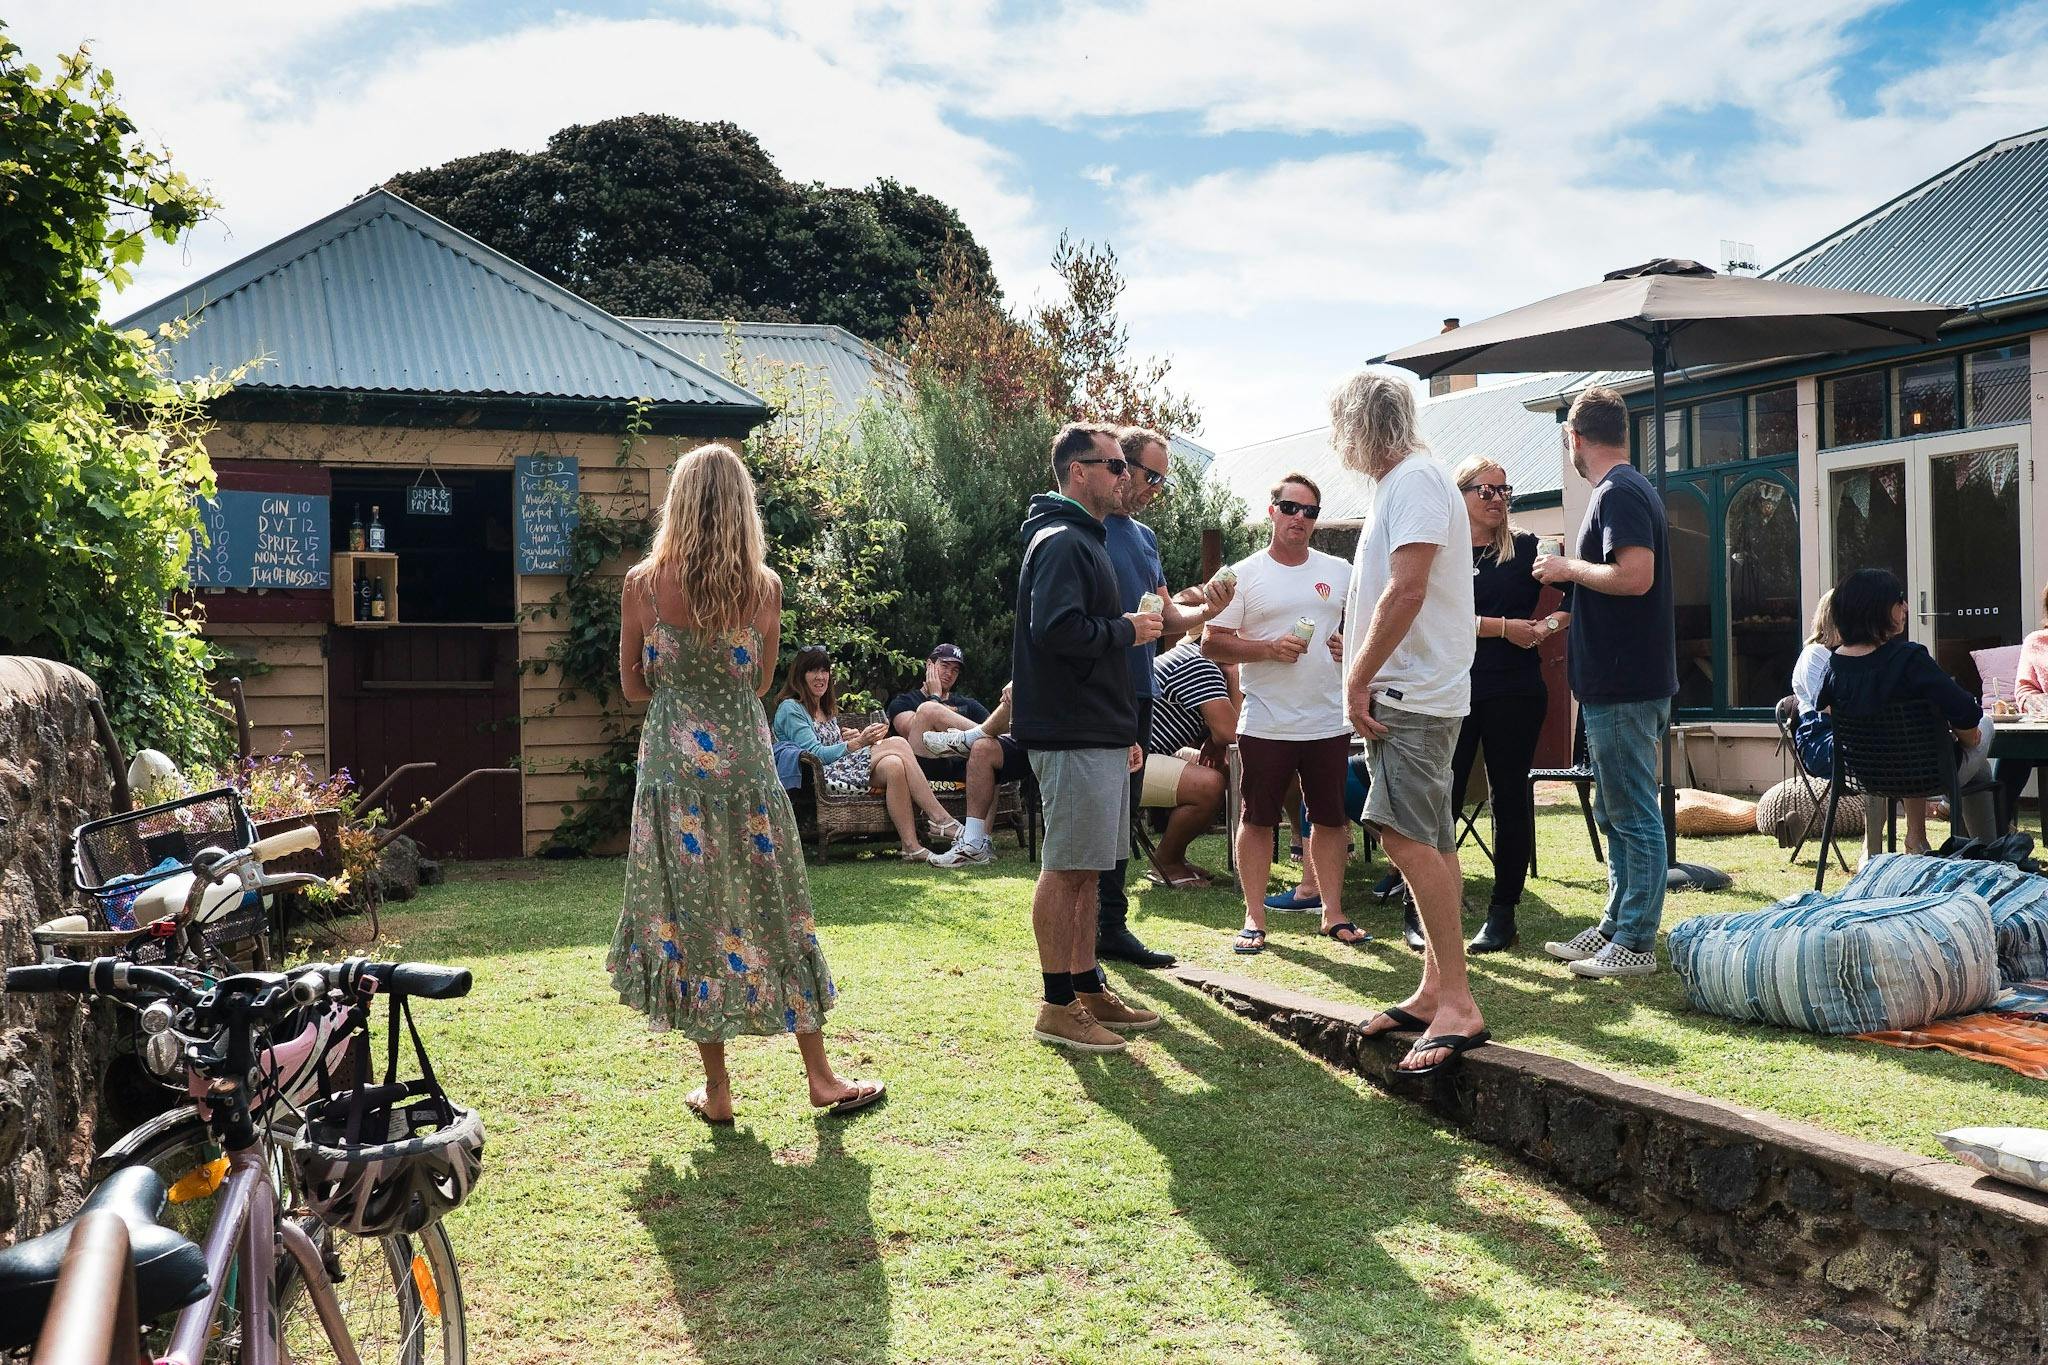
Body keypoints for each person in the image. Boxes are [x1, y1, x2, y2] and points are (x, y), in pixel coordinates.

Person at [608, 443, 882, 1122]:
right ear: (741, 507)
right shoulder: (763, 588)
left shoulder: (642, 584)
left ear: (679, 502)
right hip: (747, 771)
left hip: (673, 776)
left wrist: (679, 686)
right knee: (777, 903)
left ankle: (720, 1088)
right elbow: (760, 682)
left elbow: (631, 686)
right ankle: (820, 1075)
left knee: (692, 915)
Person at [1332, 370, 1488, 1076]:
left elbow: (1408, 587)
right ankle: (1435, 988)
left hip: (1411, 694)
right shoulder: (1407, 483)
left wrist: (1358, 676)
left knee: (1400, 833)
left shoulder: (1418, 481)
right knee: (1427, 837)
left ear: (1360, 425)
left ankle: (1457, 1001)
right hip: (1415, 691)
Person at [1011, 422, 1164, 1052]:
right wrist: (1127, 630)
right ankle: (1056, 1004)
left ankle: (1084, 985)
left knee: (1087, 870)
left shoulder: (1083, 539)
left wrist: (1120, 728)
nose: (1125, 476)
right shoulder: (1062, 542)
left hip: (1095, 728)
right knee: (1068, 869)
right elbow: (1058, 630)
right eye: (1115, 466)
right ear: (1079, 471)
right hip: (1071, 730)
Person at [1535, 385, 1676, 981]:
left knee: (1633, 811)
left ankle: (1636, 942)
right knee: (1618, 811)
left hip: (1625, 683)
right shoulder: (1621, 491)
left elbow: (1635, 577)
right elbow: (1618, 585)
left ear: (1575, 437)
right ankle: (1618, 922)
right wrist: (1571, 606)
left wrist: (1567, 567)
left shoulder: (1618, 492)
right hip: (1617, 680)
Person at [1093, 426, 1235, 965]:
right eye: (1150, 475)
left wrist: (1208, 611)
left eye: (1162, 481)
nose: (1155, 487)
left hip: (1139, 691)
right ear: (1118, 468)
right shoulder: (1086, 531)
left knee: (1123, 812)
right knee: (1098, 818)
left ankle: (1112, 926)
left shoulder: (1145, 539)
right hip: (1097, 694)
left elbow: (1169, 618)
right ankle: (1091, 934)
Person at [1203, 472, 1358, 954]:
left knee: (1331, 818)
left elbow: (1364, 629)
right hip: (1268, 719)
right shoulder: (1244, 574)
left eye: (1310, 512)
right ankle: (1254, 916)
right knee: (1258, 818)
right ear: (1272, 511)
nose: (1299, 519)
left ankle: (1332, 913)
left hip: (1328, 718)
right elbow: (1211, 642)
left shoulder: (1339, 570)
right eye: (1290, 508)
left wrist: (1345, 648)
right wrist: (1268, 649)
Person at [1449, 454, 1570, 954]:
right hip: (1452, 689)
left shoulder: (1524, 549)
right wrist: (1500, 627)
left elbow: (1576, 595)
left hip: (1514, 689)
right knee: (1442, 797)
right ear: (1461, 495)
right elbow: (1437, 616)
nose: (1498, 499)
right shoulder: (1441, 552)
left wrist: (1548, 627)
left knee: (1509, 798)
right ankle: (1424, 904)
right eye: (1487, 491)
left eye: (1504, 490)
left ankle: (1503, 913)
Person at [1818, 567, 1996, 844]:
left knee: (1978, 770)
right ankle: (1987, 851)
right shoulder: (1909, 659)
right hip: (1928, 775)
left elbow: (1826, 709)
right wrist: (1969, 739)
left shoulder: (1833, 666)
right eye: (1899, 600)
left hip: (1867, 777)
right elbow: (1965, 710)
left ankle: (1945, 843)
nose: (1907, 607)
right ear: (1879, 608)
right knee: (1985, 724)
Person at [771, 645, 965, 861]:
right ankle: (940, 819)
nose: (820, 677)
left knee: (894, 765)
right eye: (813, 671)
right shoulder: (791, 708)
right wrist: (859, 742)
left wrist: (849, 739)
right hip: (818, 778)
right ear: (799, 675)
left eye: (824, 671)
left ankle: (910, 846)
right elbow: (815, 753)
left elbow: (829, 745)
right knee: (899, 744)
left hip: (840, 771)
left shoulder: (823, 707)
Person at [888, 645, 1031, 868]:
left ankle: (982, 841)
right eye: (944, 666)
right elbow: (911, 731)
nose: (949, 673)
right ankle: (970, 738)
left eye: (955, 670)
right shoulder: (904, 702)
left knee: (987, 752)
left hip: (966, 768)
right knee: (927, 711)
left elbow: (1001, 736)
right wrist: (936, 698)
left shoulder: (968, 704)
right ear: (929, 665)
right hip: (924, 763)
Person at [1142, 613, 1238, 888]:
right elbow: (1232, 734)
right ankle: (1166, 862)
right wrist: (1233, 673)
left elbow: (1222, 736)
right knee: (1208, 784)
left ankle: (1175, 858)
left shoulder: (1189, 657)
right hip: (1127, 764)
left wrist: (1213, 740)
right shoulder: (1200, 664)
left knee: (1220, 769)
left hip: (1140, 757)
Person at [1995, 582, 2048, 830]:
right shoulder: (2036, 642)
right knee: (2012, 752)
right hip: (2042, 730)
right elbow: (2024, 690)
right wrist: (2038, 703)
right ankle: (1997, 832)